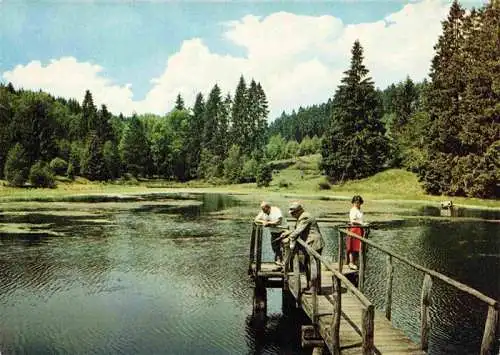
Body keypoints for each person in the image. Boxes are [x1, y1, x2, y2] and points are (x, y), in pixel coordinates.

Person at [282, 201, 325, 289]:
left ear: (298, 211)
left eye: (293, 213)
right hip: (309, 244)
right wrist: (288, 232)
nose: (292, 215)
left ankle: (314, 288)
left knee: (313, 266)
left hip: (314, 243)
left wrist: (289, 237)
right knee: (307, 265)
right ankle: (310, 285)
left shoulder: (305, 216)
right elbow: (298, 229)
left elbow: (299, 230)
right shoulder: (302, 216)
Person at [346, 195, 367, 270]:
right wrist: (361, 224)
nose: (357, 204)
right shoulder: (353, 210)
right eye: (355, 202)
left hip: (359, 230)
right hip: (354, 229)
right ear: (353, 202)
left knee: (358, 247)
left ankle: (355, 262)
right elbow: (353, 221)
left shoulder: (359, 210)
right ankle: (351, 263)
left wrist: (363, 224)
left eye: (358, 202)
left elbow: (360, 219)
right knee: (352, 247)